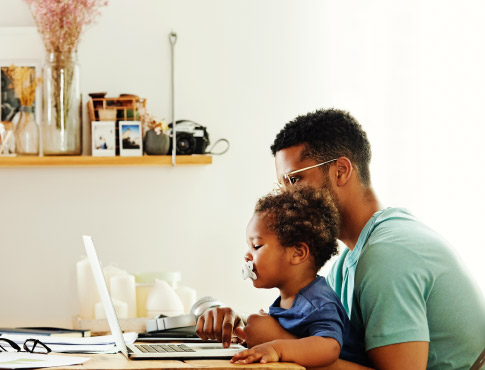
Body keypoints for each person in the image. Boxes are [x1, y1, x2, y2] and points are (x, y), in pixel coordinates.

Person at [196, 109, 485, 369]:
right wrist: (242, 325)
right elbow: (324, 338)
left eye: (294, 180)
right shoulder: (350, 258)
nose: (286, 196)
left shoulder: (388, 255)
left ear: (341, 170)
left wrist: (278, 343)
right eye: (281, 184)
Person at [230, 186, 371, 367]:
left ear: (297, 253)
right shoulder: (288, 299)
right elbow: (297, 339)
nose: (247, 256)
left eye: (256, 246)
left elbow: (329, 347)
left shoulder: (317, 301)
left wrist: (276, 348)